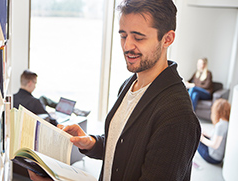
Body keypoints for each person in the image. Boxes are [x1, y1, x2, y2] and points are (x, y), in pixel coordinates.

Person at [28, 0, 201, 180]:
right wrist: (91, 143)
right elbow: (124, 145)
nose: (127, 46)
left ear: (167, 39)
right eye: (123, 35)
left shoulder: (177, 115)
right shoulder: (130, 84)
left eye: (138, 37)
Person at [198, 98, 231, 164]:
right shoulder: (226, 123)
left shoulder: (220, 125)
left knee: (195, 137)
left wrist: (201, 138)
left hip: (213, 157)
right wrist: (205, 134)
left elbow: (215, 145)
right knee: (200, 134)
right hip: (218, 156)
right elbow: (217, 137)